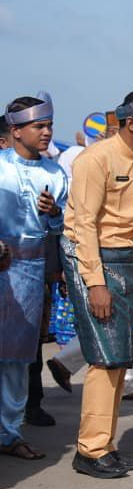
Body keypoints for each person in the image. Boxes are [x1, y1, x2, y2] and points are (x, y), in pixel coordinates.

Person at [62, 80, 133, 478]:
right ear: (131, 124)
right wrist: (95, 283)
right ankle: (89, 450)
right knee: (104, 359)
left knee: (121, 358)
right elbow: (84, 226)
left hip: (129, 263)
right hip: (94, 260)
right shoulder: (95, 159)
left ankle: (105, 446)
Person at [0, 96, 67, 460]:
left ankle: (9, 433)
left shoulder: (55, 173)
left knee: (17, 358)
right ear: (16, 131)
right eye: (39, 126)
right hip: (1, 265)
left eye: (49, 126)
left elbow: (62, 227)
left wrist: (54, 213)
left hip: (30, 271)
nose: (46, 133)